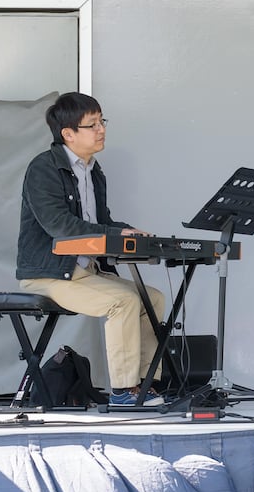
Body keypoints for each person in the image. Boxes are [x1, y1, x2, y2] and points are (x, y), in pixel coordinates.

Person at [16, 92, 167, 407]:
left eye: (102, 122)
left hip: (84, 271)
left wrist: (132, 233)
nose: (101, 130)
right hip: (50, 273)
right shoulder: (44, 168)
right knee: (123, 302)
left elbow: (101, 222)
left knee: (152, 298)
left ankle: (145, 384)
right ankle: (124, 391)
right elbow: (59, 225)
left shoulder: (93, 171)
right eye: (92, 124)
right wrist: (115, 232)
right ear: (68, 134)